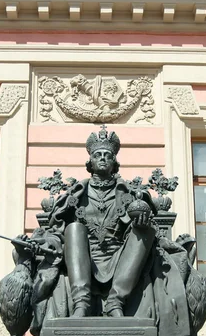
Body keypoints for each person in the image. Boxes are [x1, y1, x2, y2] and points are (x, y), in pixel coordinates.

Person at [32, 125, 157, 318]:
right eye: (97, 154)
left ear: (114, 161)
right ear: (90, 161)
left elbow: (149, 226)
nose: (102, 158)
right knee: (74, 228)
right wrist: (48, 242)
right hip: (83, 259)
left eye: (107, 155)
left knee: (144, 232)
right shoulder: (75, 196)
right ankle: (81, 303)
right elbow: (57, 231)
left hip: (121, 258)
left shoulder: (131, 195)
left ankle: (116, 302)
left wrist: (141, 223)